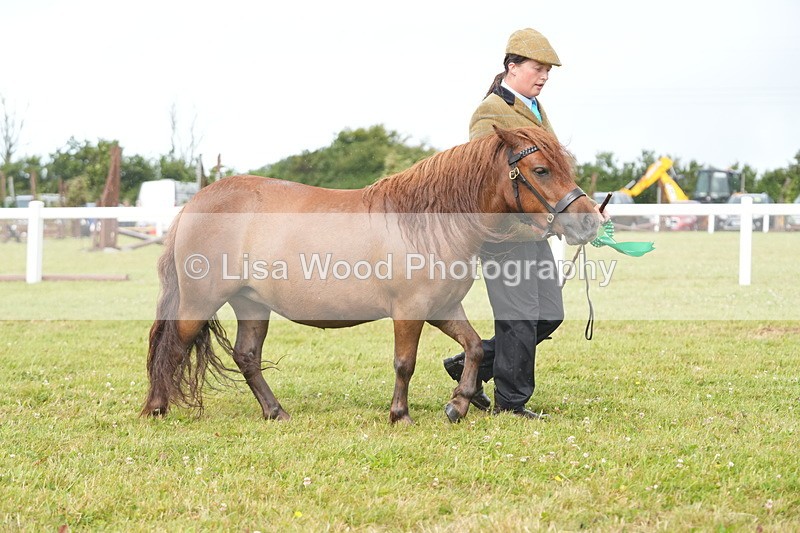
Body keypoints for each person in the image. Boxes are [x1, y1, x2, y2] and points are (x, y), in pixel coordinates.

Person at [443, 28, 601, 419]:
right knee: (518, 319)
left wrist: (579, 207)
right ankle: (511, 405)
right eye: (537, 68)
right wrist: (532, 224)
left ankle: (465, 365)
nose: (544, 76)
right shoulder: (489, 113)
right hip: (505, 234)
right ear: (512, 67)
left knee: (549, 314)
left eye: (548, 71)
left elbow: (552, 174)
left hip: (538, 230)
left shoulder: (535, 109)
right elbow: (485, 181)